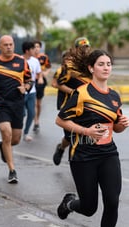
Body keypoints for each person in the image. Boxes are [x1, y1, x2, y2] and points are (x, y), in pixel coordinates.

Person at [55, 49, 129, 227]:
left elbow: (115, 128)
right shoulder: (81, 93)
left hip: (108, 154)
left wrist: (121, 125)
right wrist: (86, 131)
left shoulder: (114, 96)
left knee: (112, 201)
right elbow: (61, 120)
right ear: (91, 68)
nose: (106, 67)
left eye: (109, 64)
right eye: (101, 64)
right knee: (89, 208)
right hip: (83, 155)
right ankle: (69, 203)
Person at [0, 35, 32, 184]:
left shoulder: (22, 61)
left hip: (17, 103)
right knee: (6, 132)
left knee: (14, 139)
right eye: (6, 45)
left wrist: (26, 87)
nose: (9, 47)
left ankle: (2, 146)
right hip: (0, 103)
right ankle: (12, 170)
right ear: (0, 47)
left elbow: (29, 80)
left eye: (11, 44)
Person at [52, 37, 92, 165]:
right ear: (76, 49)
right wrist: (74, 93)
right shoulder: (68, 67)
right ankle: (62, 148)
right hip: (68, 105)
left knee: (83, 134)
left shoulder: (91, 65)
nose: (85, 50)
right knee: (70, 136)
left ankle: (82, 161)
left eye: (87, 47)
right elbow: (57, 84)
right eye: (82, 48)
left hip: (85, 106)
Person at [22, 41, 42, 142]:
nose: (35, 50)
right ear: (27, 51)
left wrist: (40, 78)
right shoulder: (19, 61)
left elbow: (39, 73)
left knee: (31, 113)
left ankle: (25, 133)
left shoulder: (35, 61)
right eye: (33, 49)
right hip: (21, 92)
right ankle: (14, 131)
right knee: (22, 114)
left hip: (32, 92)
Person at [33, 40, 51, 133]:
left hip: (41, 82)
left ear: (40, 48)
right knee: (34, 103)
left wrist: (45, 73)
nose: (36, 49)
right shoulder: (29, 57)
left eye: (38, 47)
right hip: (31, 81)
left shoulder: (44, 57)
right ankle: (35, 122)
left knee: (39, 104)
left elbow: (49, 67)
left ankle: (37, 120)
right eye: (34, 47)